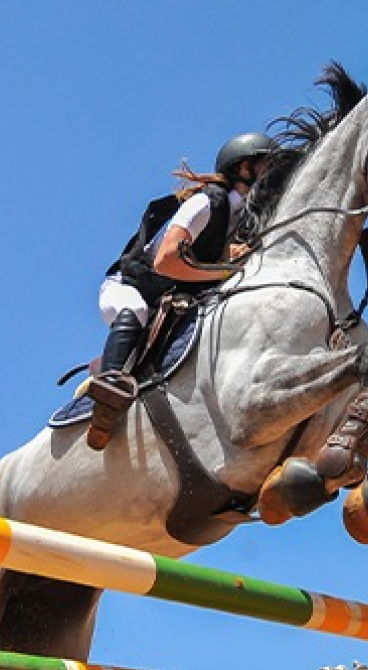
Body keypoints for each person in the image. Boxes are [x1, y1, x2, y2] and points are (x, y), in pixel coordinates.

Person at [86, 132, 278, 449]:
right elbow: (165, 262)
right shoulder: (207, 201)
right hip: (129, 289)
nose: (276, 176)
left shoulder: (243, 217)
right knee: (134, 311)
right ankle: (109, 386)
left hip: (172, 300)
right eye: (268, 166)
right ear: (244, 168)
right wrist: (225, 269)